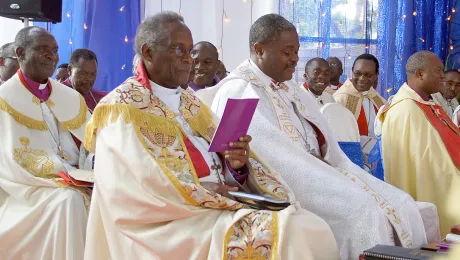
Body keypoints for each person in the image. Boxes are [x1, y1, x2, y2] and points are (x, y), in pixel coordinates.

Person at [83, 12, 339, 260]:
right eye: (179, 50)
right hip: (172, 221)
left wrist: (237, 165)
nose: (189, 59)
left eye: (190, 50)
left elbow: (221, 163)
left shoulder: (189, 103)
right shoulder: (121, 108)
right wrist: (198, 191)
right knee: (296, 234)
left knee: (310, 225)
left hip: (215, 204)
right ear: (148, 52)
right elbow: (126, 189)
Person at [198, 13, 427, 260]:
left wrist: (337, 169)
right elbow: (245, 162)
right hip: (291, 183)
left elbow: (326, 144)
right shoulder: (239, 90)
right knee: (364, 212)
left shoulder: (290, 87)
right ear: (260, 50)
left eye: (296, 51)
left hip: (323, 170)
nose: (295, 59)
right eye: (288, 52)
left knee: (402, 203)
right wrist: (325, 173)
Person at [0, 26, 91, 259]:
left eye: (55, 50)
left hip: (74, 177)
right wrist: (59, 174)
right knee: (69, 201)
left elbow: (94, 138)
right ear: (20, 53)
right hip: (27, 186)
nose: (52, 56)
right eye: (43, 49)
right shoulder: (4, 100)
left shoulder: (68, 96)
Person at [380, 51, 460, 237]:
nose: (442, 75)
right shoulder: (406, 110)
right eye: (438, 71)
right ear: (419, 74)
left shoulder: (427, 103)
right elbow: (428, 162)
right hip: (435, 190)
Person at [334, 54, 386, 138]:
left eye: (368, 75)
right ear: (352, 71)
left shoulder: (378, 99)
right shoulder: (340, 99)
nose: (362, 78)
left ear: (376, 75)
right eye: (357, 74)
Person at [62, 48, 107, 113]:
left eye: (92, 74)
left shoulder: (102, 99)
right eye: (83, 73)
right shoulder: (56, 95)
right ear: (70, 70)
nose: (88, 78)